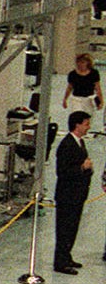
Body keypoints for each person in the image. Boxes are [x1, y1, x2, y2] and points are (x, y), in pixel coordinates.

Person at [54, 106, 93, 273]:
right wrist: (82, 168)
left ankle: (67, 256)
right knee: (64, 229)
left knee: (72, 228)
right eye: (86, 124)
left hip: (77, 195)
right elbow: (62, 172)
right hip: (67, 195)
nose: (88, 127)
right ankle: (60, 262)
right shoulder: (67, 145)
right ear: (77, 125)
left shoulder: (80, 142)